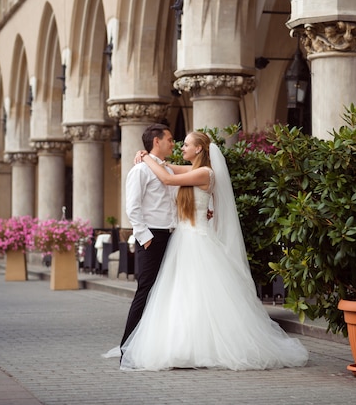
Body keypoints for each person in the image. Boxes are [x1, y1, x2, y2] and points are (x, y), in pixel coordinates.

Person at [116, 131, 309, 371]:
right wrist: (146, 156)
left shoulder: (205, 172)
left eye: (186, 144)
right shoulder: (191, 169)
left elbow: (167, 179)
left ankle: (203, 346)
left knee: (200, 293)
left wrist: (145, 159)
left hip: (196, 239)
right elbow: (168, 168)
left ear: (199, 149)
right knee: (181, 294)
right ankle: (183, 343)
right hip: (181, 238)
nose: (181, 147)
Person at [118, 123, 176, 354]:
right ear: (157, 141)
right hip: (153, 236)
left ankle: (156, 345)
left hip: (172, 236)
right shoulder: (140, 171)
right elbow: (132, 207)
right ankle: (127, 347)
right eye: (170, 139)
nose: (173, 143)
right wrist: (145, 237)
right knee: (146, 290)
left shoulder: (168, 170)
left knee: (166, 290)